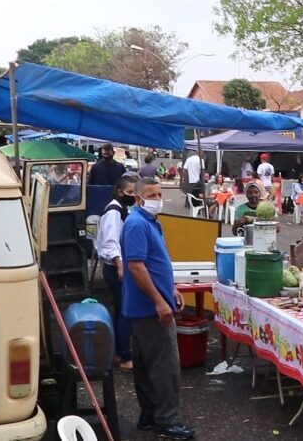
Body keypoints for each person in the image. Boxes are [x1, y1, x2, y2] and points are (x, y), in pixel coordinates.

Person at [121, 176, 195, 439]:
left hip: (151, 306)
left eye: (159, 194)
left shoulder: (151, 222)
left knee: (145, 364)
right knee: (165, 367)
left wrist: (171, 288)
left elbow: (156, 261)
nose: (157, 200)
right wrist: (159, 301)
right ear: (139, 198)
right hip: (149, 309)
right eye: (151, 196)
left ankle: (150, 414)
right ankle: (166, 420)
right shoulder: (136, 225)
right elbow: (136, 266)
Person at [97, 175, 136, 371]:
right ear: (120, 192)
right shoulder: (114, 211)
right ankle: (125, 356)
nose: (132, 195)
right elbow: (111, 242)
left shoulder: (121, 208)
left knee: (120, 310)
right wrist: (120, 266)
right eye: (129, 192)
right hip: (115, 267)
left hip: (117, 266)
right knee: (124, 312)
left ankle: (118, 353)